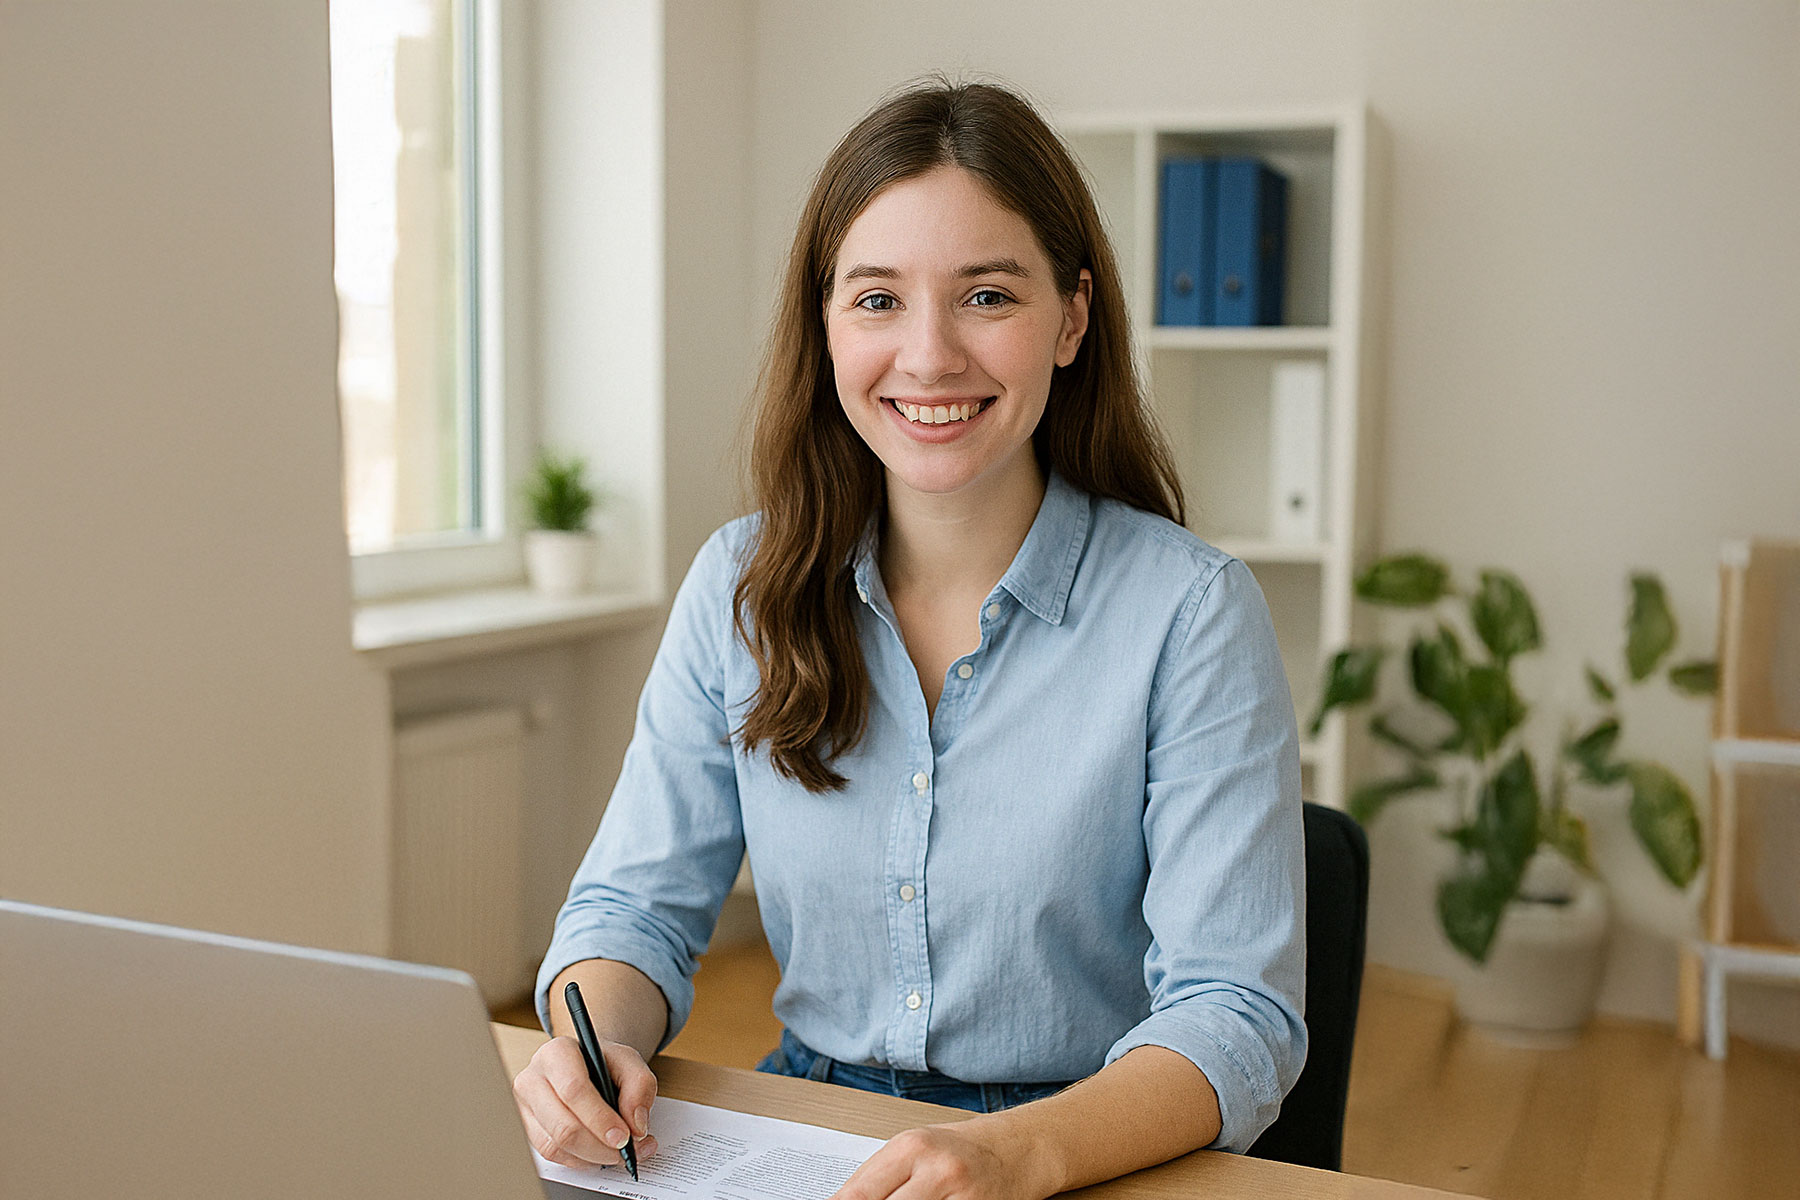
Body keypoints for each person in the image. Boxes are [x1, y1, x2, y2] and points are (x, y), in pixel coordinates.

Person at [512, 77, 1306, 1199]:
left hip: (1083, 1152)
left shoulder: (1189, 615)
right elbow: (630, 912)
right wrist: (588, 1048)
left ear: (1072, 318)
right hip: (812, 1136)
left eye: (987, 295)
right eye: (877, 299)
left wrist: (1016, 1151)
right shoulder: (739, 587)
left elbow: (1238, 1012)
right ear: (826, 324)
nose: (929, 357)